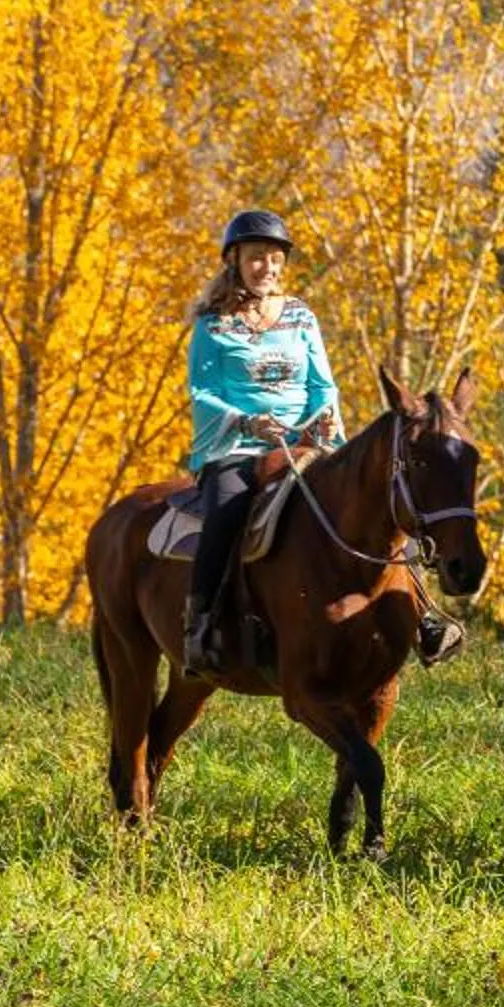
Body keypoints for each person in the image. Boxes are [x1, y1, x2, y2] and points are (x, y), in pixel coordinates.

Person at [181, 209, 341, 675]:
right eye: (256, 258)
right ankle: (201, 624)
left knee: (372, 494)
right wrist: (250, 423)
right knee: (227, 510)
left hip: (305, 440)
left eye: (274, 259)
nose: (266, 268)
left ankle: (421, 613)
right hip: (239, 447)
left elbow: (323, 385)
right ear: (234, 261)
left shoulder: (300, 317)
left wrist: (322, 419)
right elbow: (203, 393)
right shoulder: (212, 326)